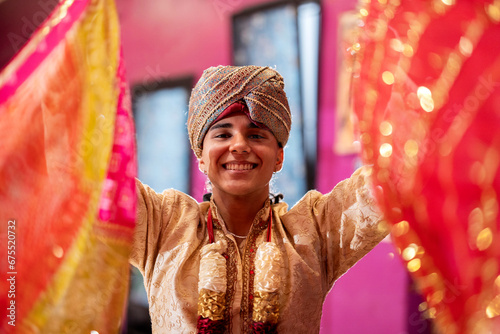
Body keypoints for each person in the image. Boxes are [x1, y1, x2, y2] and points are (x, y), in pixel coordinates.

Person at [130, 65, 388, 333]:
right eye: (223, 134)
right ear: (201, 157)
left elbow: (391, 177)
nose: (239, 145)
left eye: (255, 134)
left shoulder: (314, 231)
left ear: (279, 157)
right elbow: (98, 176)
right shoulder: (163, 225)